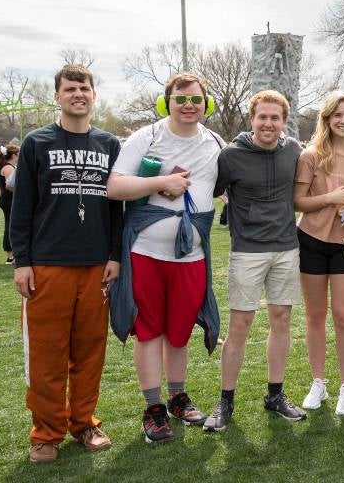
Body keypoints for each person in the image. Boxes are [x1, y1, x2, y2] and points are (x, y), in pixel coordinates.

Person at [10, 64, 121, 463]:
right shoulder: (37, 143)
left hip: (96, 265)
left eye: (85, 88)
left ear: (94, 95)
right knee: (47, 352)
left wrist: (114, 255)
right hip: (47, 265)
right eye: (70, 89)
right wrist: (21, 261)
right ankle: (46, 432)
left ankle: (85, 422)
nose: (78, 94)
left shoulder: (109, 144)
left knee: (90, 350)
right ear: (56, 96)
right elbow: (21, 207)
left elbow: (116, 209)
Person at [107, 72, 224, 443]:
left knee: (178, 333)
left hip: (191, 255)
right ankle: (153, 406)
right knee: (149, 331)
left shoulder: (215, 142)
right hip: (146, 251)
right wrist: (160, 182)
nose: (188, 106)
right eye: (180, 99)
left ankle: (177, 396)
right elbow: (114, 186)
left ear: (206, 104)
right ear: (167, 101)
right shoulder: (148, 136)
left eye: (195, 100)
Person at [203, 90, 306, 431]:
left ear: (284, 121)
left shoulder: (293, 150)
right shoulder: (231, 155)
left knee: (281, 320)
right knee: (240, 325)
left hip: (286, 248)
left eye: (275, 117)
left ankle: (275, 395)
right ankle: (225, 401)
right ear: (252, 119)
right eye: (262, 116)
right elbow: (212, 189)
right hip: (247, 249)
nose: (268, 123)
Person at [296, 92, 344, 416]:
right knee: (315, 316)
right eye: (337, 115)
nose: (343, 120)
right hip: (312, 240)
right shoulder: (311, 155)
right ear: (327, 119)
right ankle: (318, 382)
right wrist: (330, 197)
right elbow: (298, 201)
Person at [0, 145, 19, 264]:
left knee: (10, 225)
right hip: (9, 200)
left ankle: (11, 254)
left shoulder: (7, 166)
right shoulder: (8, 167)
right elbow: (10, 186)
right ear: (14, 155)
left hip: (7, 199)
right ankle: (10, 255)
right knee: (10, 226)